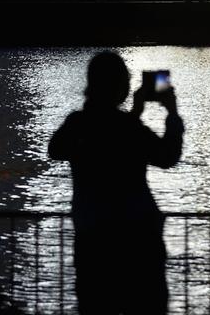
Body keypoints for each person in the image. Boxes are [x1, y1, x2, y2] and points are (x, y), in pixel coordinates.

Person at [49, 52, 184, 315]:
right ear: (121, 87)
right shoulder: (129, 128)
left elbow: (57, 149)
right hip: (138, 245)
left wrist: (131, 115)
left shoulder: (78, 124)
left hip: (94, 244)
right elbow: (167, 156)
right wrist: (172, 114)